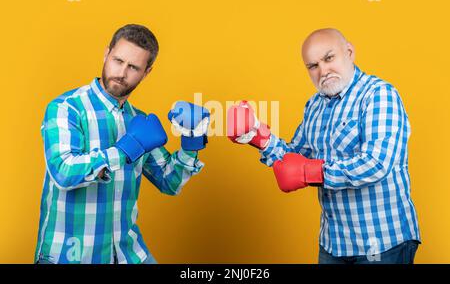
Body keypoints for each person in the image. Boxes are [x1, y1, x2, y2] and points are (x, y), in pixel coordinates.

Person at [227, 28, 421, 264]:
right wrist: (258, 136)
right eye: (313, 66)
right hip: (334, 242)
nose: (323, 71)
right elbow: (294, 158)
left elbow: (376, 163)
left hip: (382, 241)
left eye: (329, 58)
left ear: (349, 52)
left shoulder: (378, 94)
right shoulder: (314, 106)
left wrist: (312, 172)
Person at [35, 24, 210, 264]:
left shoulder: (138, 121)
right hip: (70, 255)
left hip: (125, 252)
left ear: (146, 72)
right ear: (106, 54)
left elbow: (171, 182)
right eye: (118, 60)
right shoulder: (68, 107)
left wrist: (192, 140)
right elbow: (63, 171)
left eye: (133, 67)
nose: (122, 72)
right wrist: (125, 150)